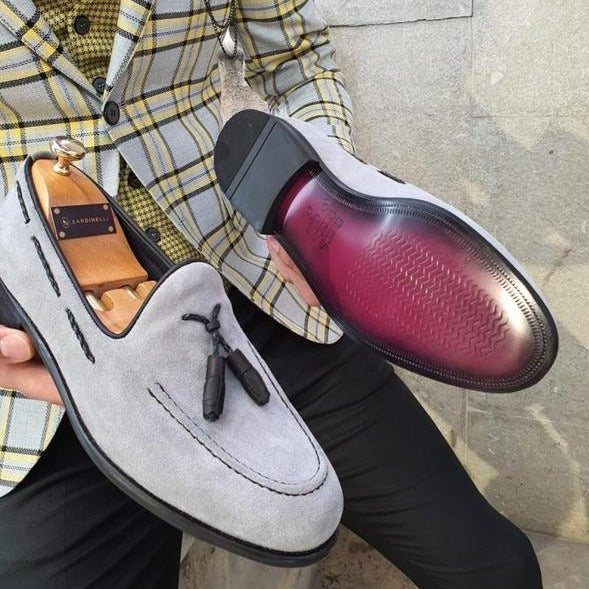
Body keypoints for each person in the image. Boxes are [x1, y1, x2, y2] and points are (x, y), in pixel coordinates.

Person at [0, 1, 543, 588]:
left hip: (249, 301)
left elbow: (297, 57)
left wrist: (311, 198)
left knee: (490, 568)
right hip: (53, 363)